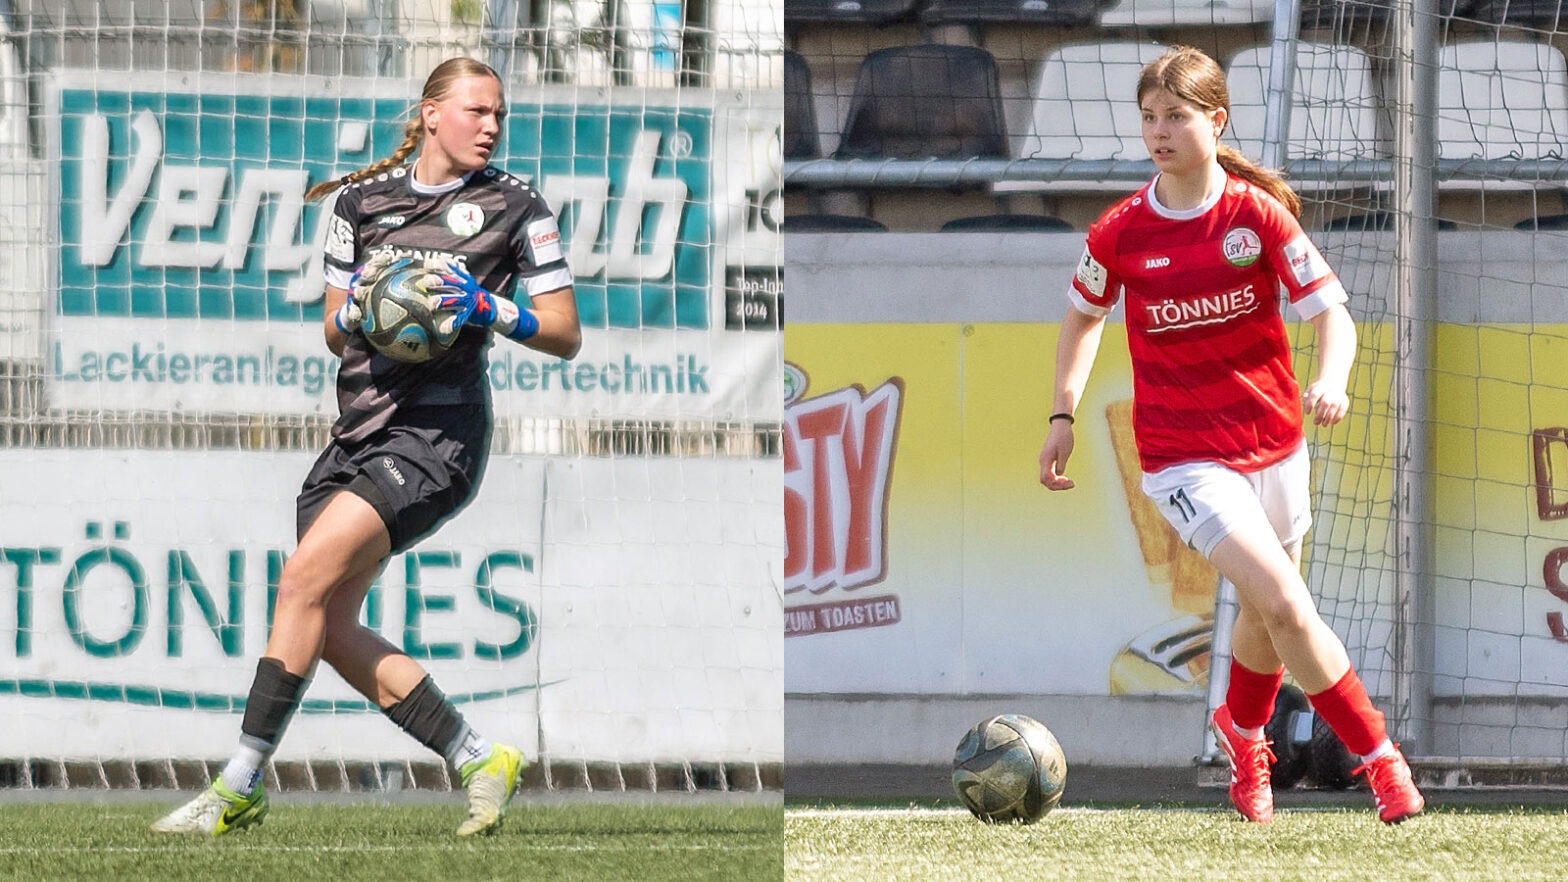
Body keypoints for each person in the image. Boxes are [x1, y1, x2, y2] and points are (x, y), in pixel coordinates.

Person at [152, 57, 581, 836]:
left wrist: (489, 306)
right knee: (328, 620)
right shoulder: (361, 202)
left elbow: (564, 333)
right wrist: (363, 307)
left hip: (436, 439)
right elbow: (329, 325)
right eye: (477, 111)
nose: (491, 126)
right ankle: (479, 755)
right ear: (430, 114)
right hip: (355, 433)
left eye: (499, 116)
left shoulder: (518, 207)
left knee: (302, 580)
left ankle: (240, 781)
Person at [1036, 45, 1424, 825]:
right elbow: (1083, 315)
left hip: (1276, 441)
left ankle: (1243, 738)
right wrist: (1062, 415)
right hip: (1184, 458)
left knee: (1266, 618)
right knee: (1284, 599)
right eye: (1148, 117)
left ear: (1216, 120)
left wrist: (1333, 378)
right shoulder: (1121, 229)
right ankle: (1385, 763)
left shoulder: (1255, 216)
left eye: (1175, 116)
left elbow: (1331, 313)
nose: (1158, 131)